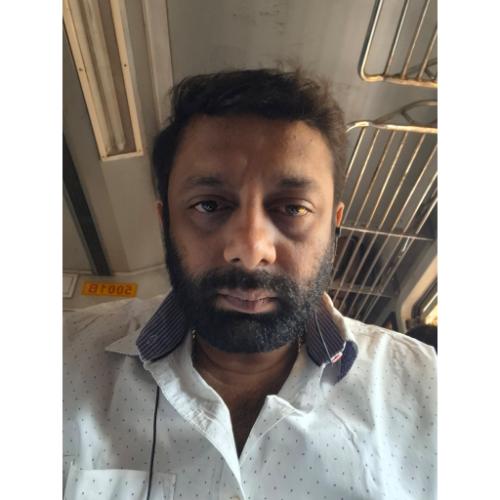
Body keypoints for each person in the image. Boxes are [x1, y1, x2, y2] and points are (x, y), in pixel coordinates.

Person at [63, 69, 437, 499]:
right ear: (166, 221)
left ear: (334, 226)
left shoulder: (426, 387)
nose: (251, 249)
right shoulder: (61, 358)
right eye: (209, 205)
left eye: (293, 209)